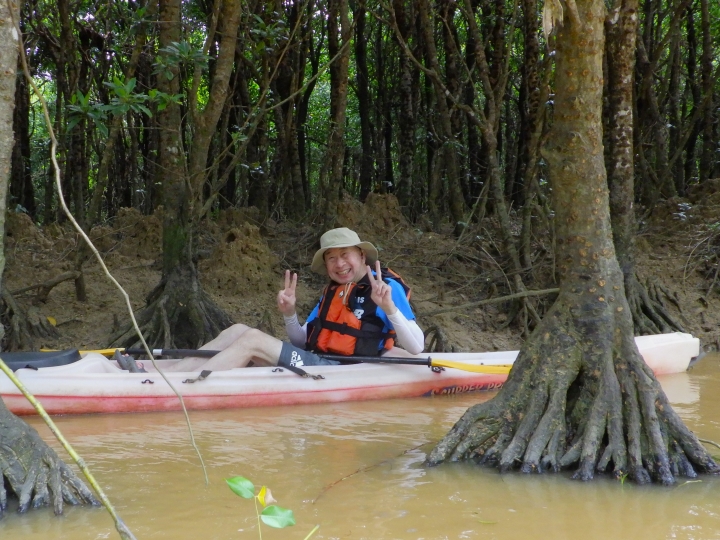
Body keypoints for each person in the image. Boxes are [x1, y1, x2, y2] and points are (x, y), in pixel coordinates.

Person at [168, 228, 424, 372]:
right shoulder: (332, 291)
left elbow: (417, 347)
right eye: (331, 258)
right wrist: (289, 313)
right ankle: (167, 375)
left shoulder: (385, 287)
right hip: (319, 360)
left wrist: (388, 307)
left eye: (346, 255)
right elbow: (302, 341)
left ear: (360, 255)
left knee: (253, 340)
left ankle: (192, 387)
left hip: (342, 369)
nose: (340, 264)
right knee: (238, 330)